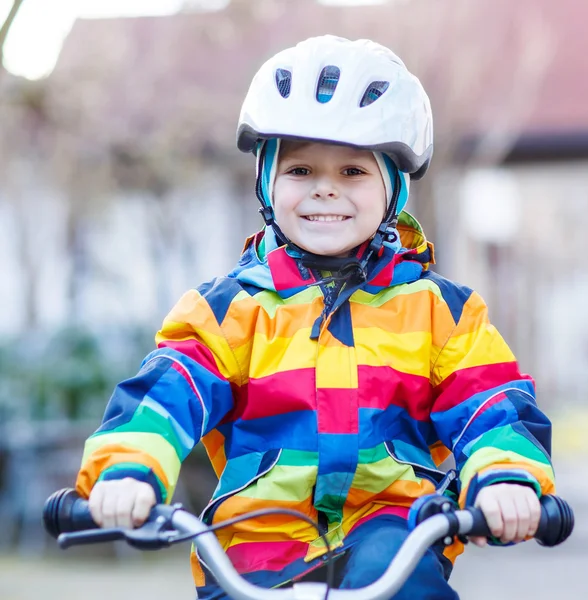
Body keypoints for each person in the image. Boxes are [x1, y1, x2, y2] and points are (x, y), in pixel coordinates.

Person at [75, 36, 555, 599]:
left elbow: (491, 404)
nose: (325, 187)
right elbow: (164, 394)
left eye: (353, 171)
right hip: (255, 546)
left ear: (392, 191)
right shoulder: (229, 311)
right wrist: (128, 469)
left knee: (406, 580)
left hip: (392, 539)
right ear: (267, 183)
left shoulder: (439, 313)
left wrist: (504, 477)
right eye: (300, 169)